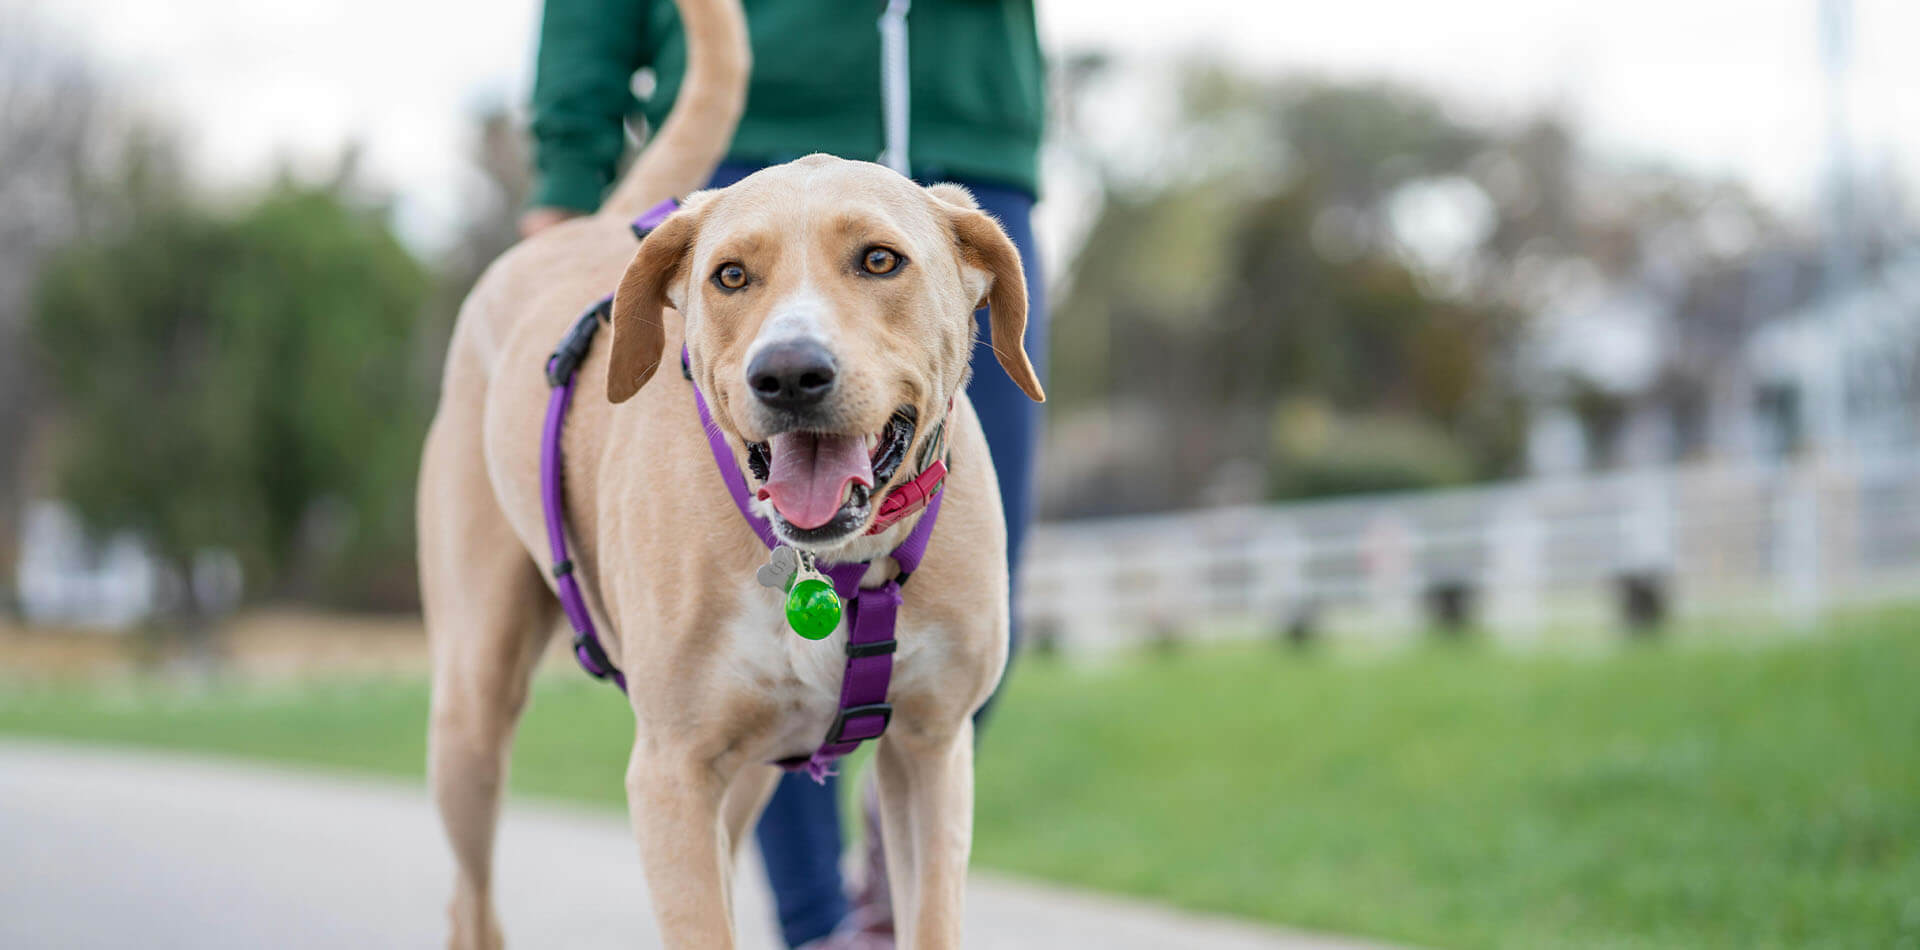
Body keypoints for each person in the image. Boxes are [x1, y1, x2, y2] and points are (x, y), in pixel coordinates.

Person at [521, 3, 1046, 947]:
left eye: (874, 264)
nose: (793, 352)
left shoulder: (962, 245)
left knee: (961, 630)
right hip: (741, 149)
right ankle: (818, 926)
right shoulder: (716, 245)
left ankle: (893, 893)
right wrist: (566, 178)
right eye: (729, 284)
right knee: (750, 654)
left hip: (968, 138)